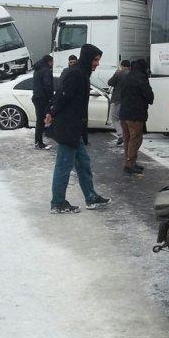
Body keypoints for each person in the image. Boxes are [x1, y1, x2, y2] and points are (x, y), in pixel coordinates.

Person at [44, 44, 110, 213]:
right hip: (68, 128)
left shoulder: (82, 73)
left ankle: (90, 197)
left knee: (83, 164)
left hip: (75, 128)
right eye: (95, 60)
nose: (97, 64)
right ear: (88, 58)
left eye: (98, 60)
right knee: (63, 166)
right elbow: (62, 95)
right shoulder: (76, 74)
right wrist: (51, 112)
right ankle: (57, 203)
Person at [118, 58, 153, 175]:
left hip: (124, 113)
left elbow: (121, 94)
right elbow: (148, 95)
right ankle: (129, 164)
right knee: (136, 138)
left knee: (127, 138)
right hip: (135, 114)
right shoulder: (141, 78)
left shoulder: (127, 76)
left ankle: (130, 161)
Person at [31, 55, 54, 150]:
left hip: (37, 97)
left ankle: (39, 141)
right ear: (48, 61)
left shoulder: (37, 70)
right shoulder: (46, 70)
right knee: (41, 121)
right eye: (52, 61)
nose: (53, 64)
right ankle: (39, 143)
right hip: (42, 98)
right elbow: (48, 85)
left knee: (41, 120)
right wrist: (51, 97)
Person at [107, 60, 130, 145]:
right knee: (124, 120)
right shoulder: (132, 74)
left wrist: (117, 72)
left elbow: (110, 82)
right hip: (128, 100)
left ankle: (121, 135)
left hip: (117, 99)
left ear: (122, 66)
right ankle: (127, 136)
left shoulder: (119, 73)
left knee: (115, 118)